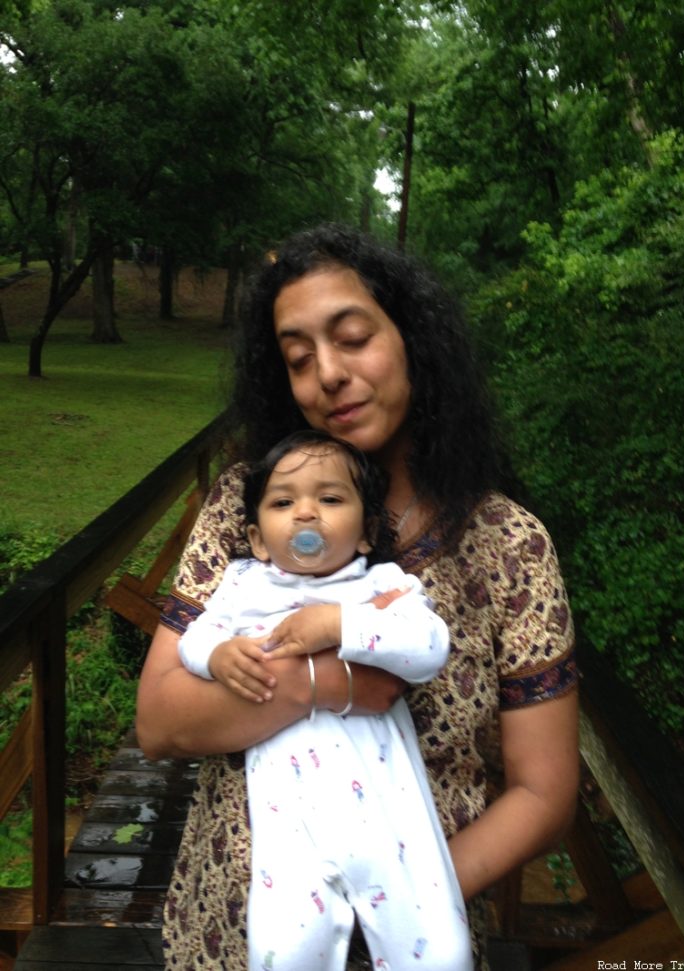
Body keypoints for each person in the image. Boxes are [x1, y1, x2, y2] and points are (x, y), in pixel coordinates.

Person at [136, 223, 580, 970]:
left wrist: (400, 905)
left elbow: (544, 791)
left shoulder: (510, 546)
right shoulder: (248, 511)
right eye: (299, 359)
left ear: (411, 338)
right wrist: (332, 681)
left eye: (352, 338)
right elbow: (160, 718)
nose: (328, 375)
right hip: (229, 935)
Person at [177, 429, 472, 971]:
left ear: (365, 534)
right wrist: (218, 656)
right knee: (282, 951)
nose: (306, 513)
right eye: (283, 501)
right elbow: (192, 639)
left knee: (442, 954)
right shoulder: (244, 586)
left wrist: (341, 624)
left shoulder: (383, 588)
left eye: (331, 499)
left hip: (389, 819)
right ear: (259, 539)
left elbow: (430, 648)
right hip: (287, 822)